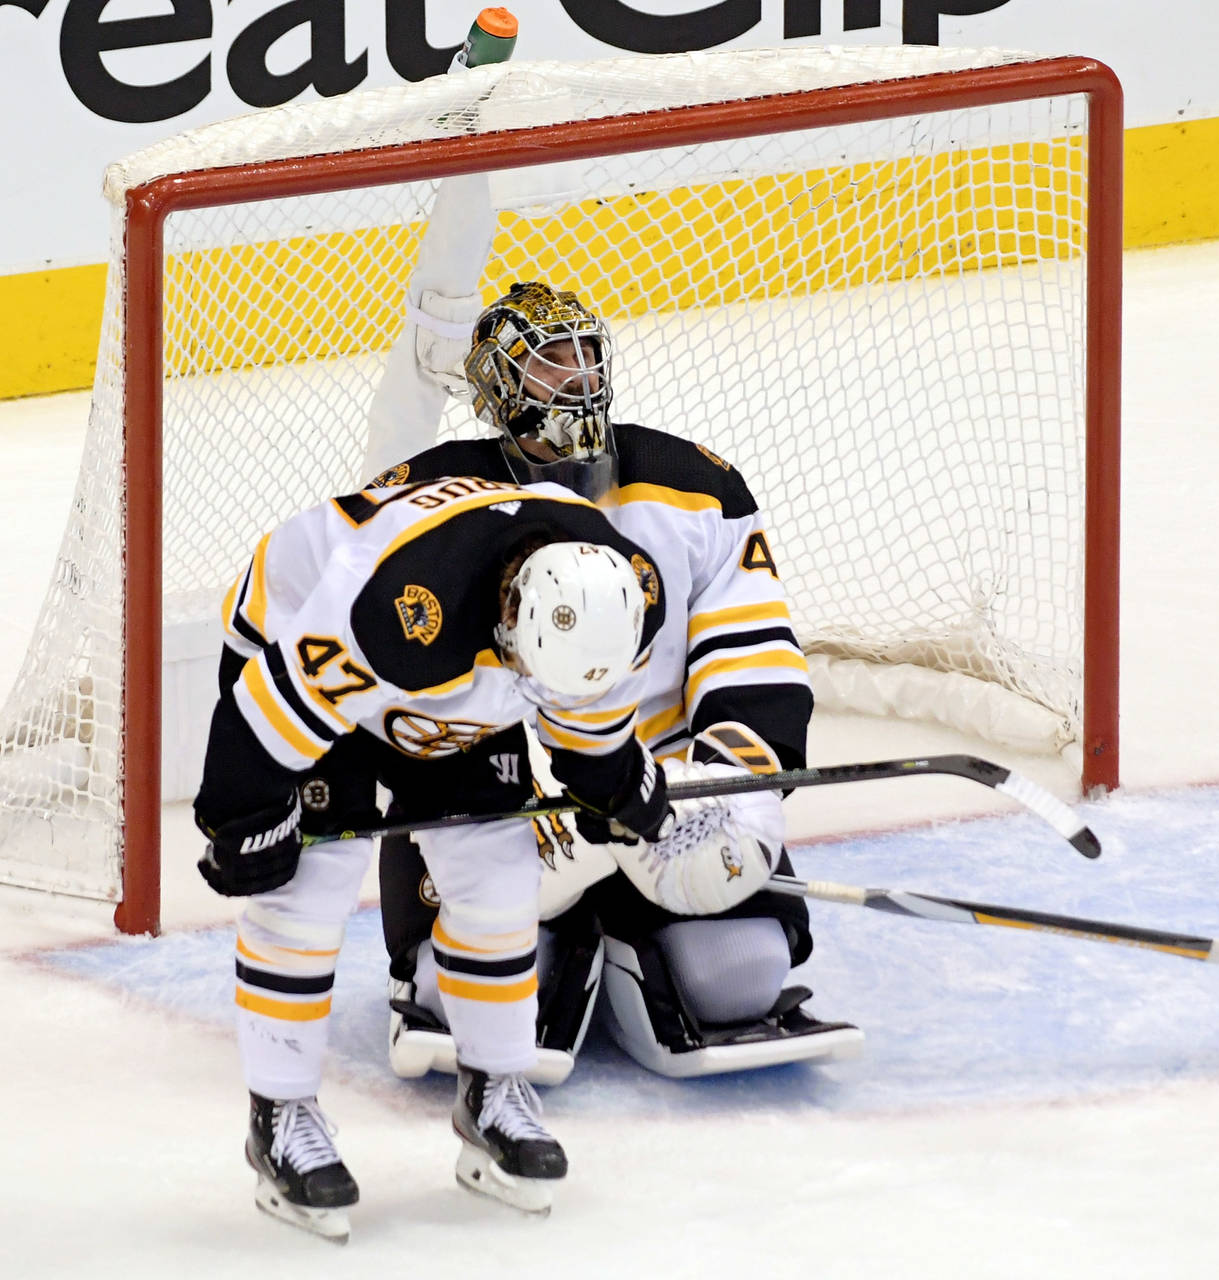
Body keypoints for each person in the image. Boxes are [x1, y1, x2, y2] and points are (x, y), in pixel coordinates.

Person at [193, 473, 770, 1237]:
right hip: (297, 647)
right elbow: (256, 731)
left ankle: (495, 1092)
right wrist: (240, 825)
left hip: (459, 682)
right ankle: (280, 1114)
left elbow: (590, 743)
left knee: (500, 883)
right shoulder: (393, 611)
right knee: (304, 893)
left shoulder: (620, 598)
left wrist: (629, 794)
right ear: (511, 614)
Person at [364, 212, 863, 1085]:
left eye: (585, 357)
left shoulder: (697, 489)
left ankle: (643, 939)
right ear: (498, 394)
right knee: (478, 992)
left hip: (663, 796)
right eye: (548, 364)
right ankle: (558, 935)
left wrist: (730, 791)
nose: (576, 379)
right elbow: (394, 691)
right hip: (503, 810)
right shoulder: (428, 503)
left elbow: (755, 660)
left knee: (737, 975)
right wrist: (509, 810)